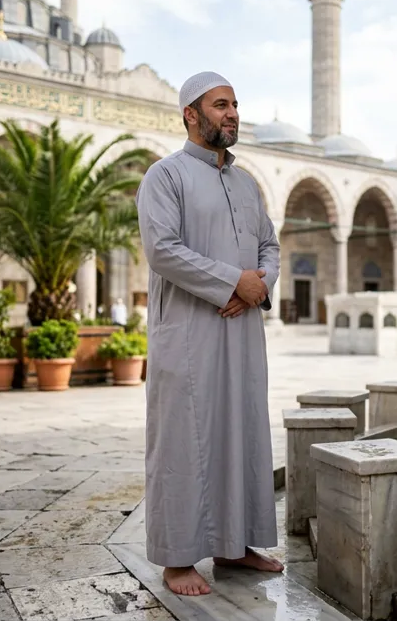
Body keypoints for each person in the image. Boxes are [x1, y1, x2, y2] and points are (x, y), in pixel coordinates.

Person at [136, 71, 283, 596]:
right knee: (184, 440)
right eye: (221, 105)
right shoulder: (166, 176)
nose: (232, 114)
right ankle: (177, 559)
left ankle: (235, 545)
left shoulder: (245, 183)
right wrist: (231, 283)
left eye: (236, 105)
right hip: (192, 333)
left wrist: (258, 287)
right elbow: (163, 250)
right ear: (191, 115)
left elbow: (270, 245)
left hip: (242, 329)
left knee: (240, 432)